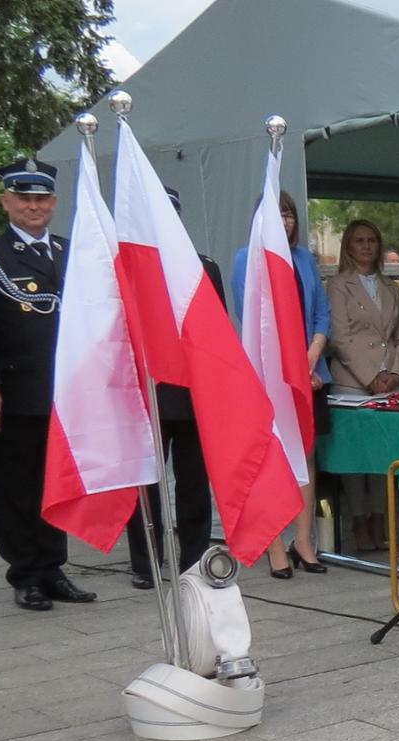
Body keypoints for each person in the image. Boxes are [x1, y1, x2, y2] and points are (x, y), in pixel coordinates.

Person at [0, 159, 96, 611]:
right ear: (6, 201)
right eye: (24, 197)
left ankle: (52, 566)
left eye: (41, 198)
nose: (33, 206)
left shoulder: (71, 251)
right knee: (16, 486)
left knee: (58, 483)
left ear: (54, 203)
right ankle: (23, 572)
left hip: (67, 393)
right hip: (16, 390)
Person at [124, 187, 224, 589]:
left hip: (191, 392)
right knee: (146, 481)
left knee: (194, 480)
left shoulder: (204, 268)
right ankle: (146, 560)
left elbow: (217, 336)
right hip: (147, 391)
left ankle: (194, 556)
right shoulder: (130, 268)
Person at [234, 191, 331, 576]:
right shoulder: (247, 259)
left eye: (289, 214)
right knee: (271, 459)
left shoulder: (305, 259)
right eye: (277, 214)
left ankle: (303, 540)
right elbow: (252, 319)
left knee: (305, 455)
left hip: (310, 373)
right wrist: (289, 368)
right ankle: (273, 542)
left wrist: (311, 356)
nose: (285, 221)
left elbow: (322, 312)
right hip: (269, 376)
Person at [327, 220, 399, 554]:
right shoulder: (337, 285)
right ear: (348, 246)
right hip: (352, 382)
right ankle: (359, 522)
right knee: (356, 460)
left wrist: (394, 372)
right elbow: (340, 337)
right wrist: (369, 377)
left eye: (372, 241)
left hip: (389, 381)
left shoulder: (391, 287)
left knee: (383, 457)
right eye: (359, 240)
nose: (366, 246)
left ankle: (380, 521)